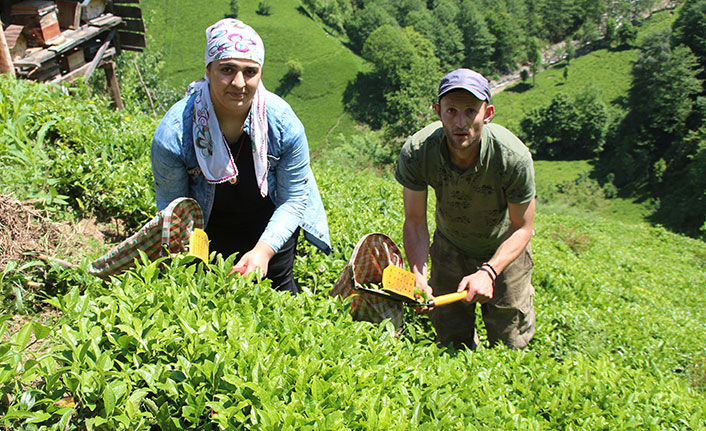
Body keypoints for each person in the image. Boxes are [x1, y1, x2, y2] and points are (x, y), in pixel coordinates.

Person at [151, 18, 331, 294]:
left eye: (250, 72)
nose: (239, 83)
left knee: (280, 299)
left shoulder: (283, 125)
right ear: (208, 70)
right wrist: (192, 255)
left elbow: (293, 199)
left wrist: (264, 251)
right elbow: (174, 209)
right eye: (227, 69)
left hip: (269, 229)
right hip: (208, 232)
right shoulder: (175, 133)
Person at [394, 68, 536, 350]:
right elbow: (414, 221)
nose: (461, 122)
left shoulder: (512, 157)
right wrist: (418, 276)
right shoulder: (419, 151)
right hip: (450, 247)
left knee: (510, 342)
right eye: (452, 111)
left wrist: (489, 271)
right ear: (438, 111)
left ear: (488, 113)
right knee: (451, 338)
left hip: (503, 250)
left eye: (471, 111)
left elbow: (523, 227)